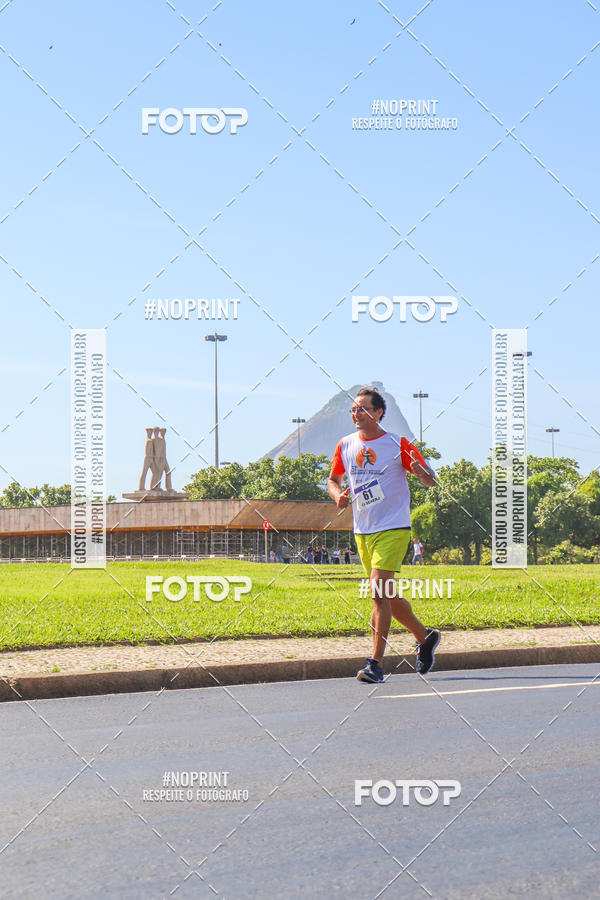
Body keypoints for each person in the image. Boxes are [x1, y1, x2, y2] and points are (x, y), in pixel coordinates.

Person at [327, 386, 440, 683]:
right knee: (386, 593)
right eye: (354, 409)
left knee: (378, 591)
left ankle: (375, 664)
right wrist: (338, 495)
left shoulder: (397, 444)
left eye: (363, 408)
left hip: (393, 526)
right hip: (363, 530)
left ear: (378, 413)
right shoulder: (345, 444)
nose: (357, 413)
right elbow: (333, 480)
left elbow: (430, 480)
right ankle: (424, 637)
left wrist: (421, 473)